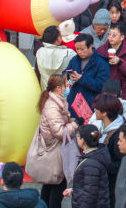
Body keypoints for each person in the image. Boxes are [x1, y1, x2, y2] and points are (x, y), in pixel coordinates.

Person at [27, 75, 78, 208]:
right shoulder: (52, 106)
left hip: (53, 150)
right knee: (57, 186)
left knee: (49, 185)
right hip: (55, 151)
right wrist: (75, 124)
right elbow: (60, 132)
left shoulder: (55, 101)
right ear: (58, 88)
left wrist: (72, 121)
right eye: (65, 86)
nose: (67, 88)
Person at [65, 34, 111, 111]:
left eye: (82, 49)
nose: (79, 52)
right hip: (73, 102)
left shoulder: (101, 63)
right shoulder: (74, 59)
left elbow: (102, 86)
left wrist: (82, 79)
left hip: (91, 105)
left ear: (90, 46)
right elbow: (66, 71)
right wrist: (69, 76)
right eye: (77, 49)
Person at [99, 22, 126, 100]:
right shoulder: (101, 50)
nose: (110, 37)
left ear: (122, 37)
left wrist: (120, 62)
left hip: (124, 92)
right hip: (106, 91)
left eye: (114, 35)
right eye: (109, 34)